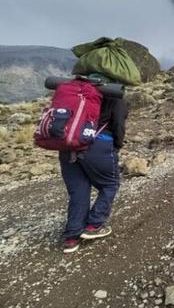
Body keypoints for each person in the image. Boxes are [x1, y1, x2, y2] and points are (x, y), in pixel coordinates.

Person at [60, 74, 128, 253]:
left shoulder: (74, 93)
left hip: (67, 146)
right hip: (98, 144)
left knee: (79, 189)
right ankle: (93, 225)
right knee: (110, 184)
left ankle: (71, 237)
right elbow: (119, 125)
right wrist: (117, 145)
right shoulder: (114, 96)